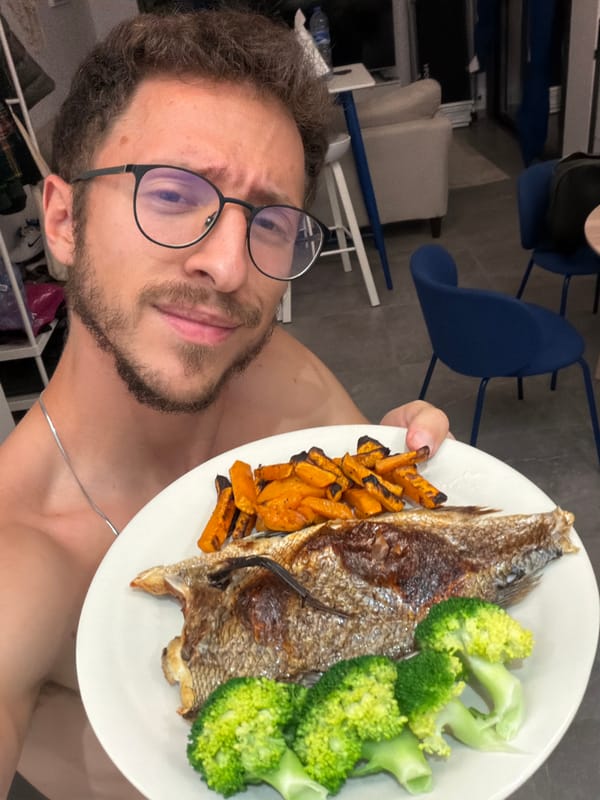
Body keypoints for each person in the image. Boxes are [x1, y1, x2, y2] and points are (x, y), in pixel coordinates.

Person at [0, 10, 449, 799]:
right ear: (63, 221)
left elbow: (375, 611)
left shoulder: (278, 377)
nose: (228, 265)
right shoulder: (21, 555)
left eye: (269, 222)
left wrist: (395, 486)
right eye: (173, 194)